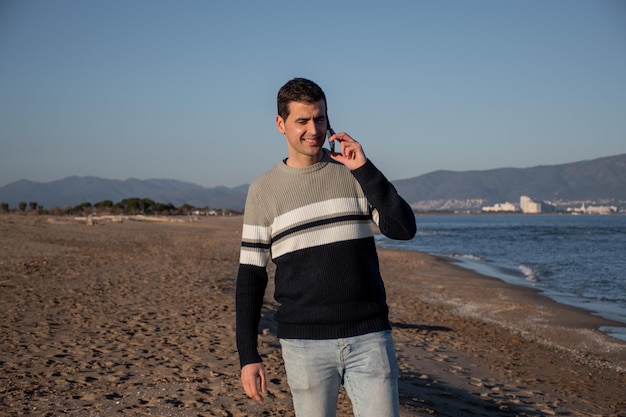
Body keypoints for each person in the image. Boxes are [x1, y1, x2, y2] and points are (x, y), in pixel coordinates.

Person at [236, 77, 417, 417]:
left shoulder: (353, 173)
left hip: (369, 337)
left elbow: (403, 228)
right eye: (302, 120)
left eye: (319, 118)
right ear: (281, 124)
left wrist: (365, 168)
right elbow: (250, 277)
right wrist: (249, 356)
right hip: (303, 345)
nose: (313, 129)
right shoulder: (263, 191)